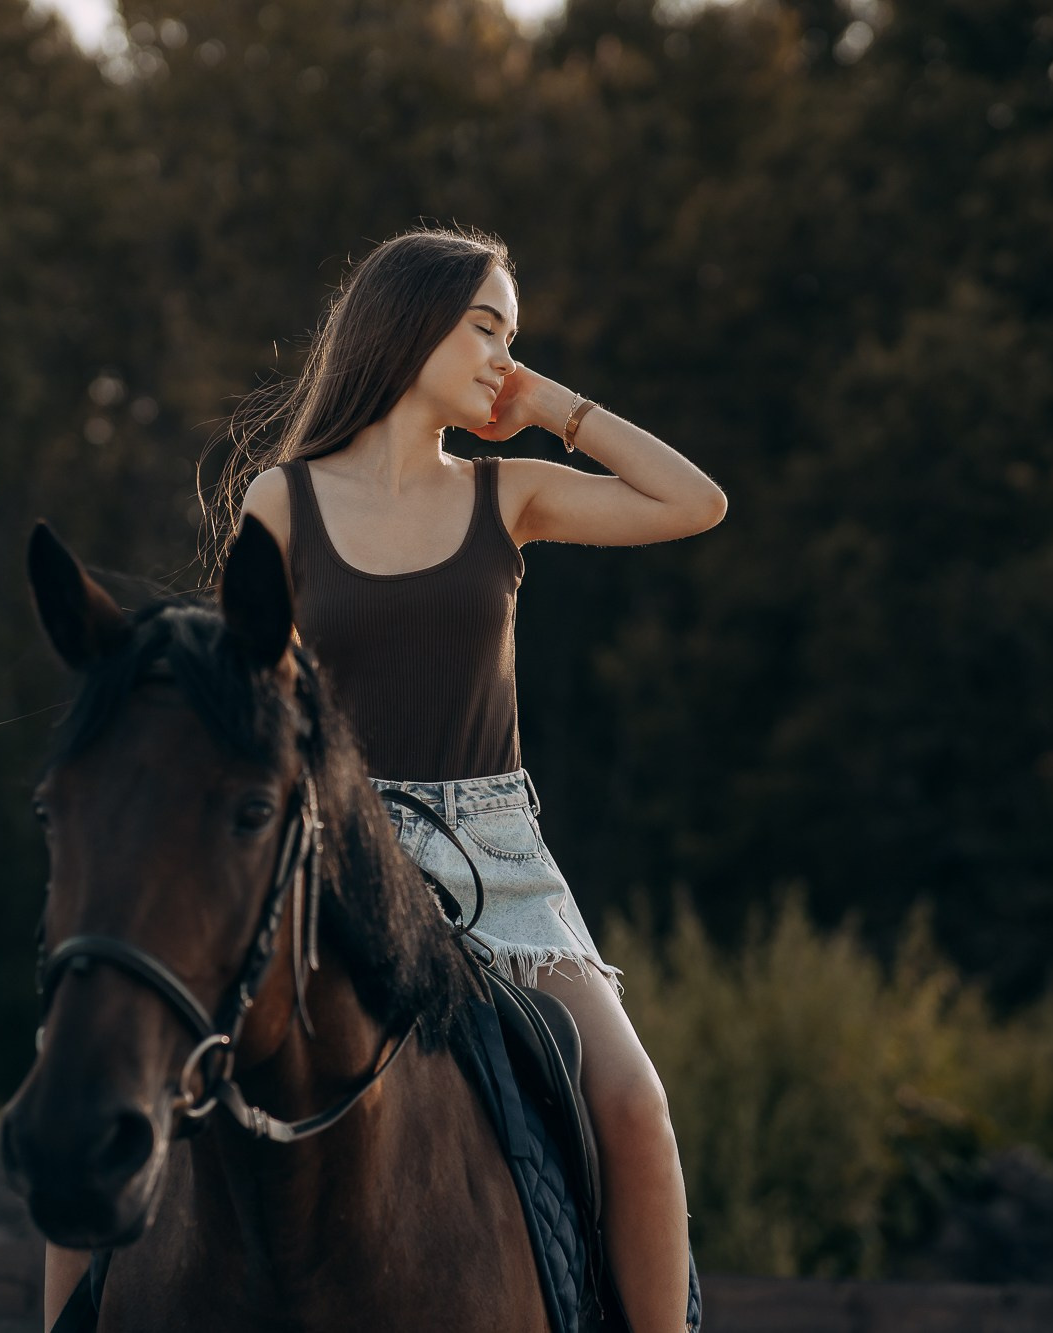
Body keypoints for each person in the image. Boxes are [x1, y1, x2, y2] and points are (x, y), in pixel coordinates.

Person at [205, 223, 723, 1331]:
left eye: (511, 336)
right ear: (407, 324)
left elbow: (694, 503)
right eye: (485, 328)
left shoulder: (509, 495)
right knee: (132, 1061)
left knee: (631, 1099)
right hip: (328, 847)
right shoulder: (279, 504)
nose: (501, 356)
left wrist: (552, 408)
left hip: (499, 861)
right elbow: (242, 703)